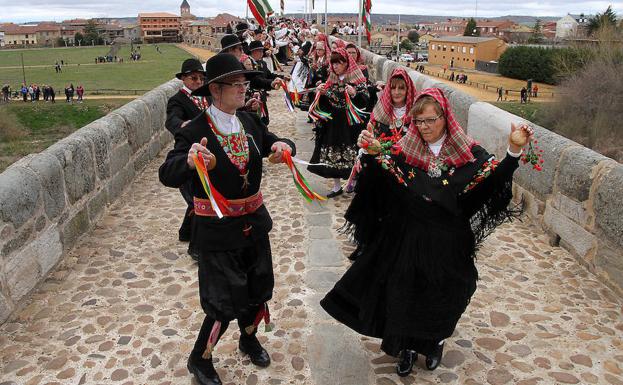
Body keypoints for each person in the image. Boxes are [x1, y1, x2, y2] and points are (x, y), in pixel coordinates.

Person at [321, 87, 534, 378]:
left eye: (430, 121)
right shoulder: (404, 150)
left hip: (449, 239)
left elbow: (489, 184)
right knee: (404, 290)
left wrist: (513, 152)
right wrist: (369, 153)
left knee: (446, 292)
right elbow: (384, 180)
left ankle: (434, 342)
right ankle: (407, 346)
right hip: (409, 236)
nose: (425, 128)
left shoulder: (470, 155)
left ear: (445, 117)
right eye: (419, 122)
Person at [159, 53, 296, 385]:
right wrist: (190, 161)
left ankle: (248, 338)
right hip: (217, 231)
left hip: (254, 224)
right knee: (224, 298)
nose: (243, 89)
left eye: (244, 83)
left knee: (258, 286)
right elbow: (168, 172)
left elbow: (273, 141)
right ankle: (200, 359)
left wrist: (282, 144)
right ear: (215, 89)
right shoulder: (195, 130)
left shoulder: (249, 122)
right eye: (236, 84)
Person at [346, 68, 416, 260]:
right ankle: (364, 242)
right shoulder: (381, 110)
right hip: (377, 167)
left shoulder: (415, 114)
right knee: (370, 203)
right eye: (393, 88)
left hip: (401, 167)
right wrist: (366, 145)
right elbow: (371, 135)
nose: (397, 92)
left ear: (408, 90)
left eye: (401, 88)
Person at [307, 48, 369, 197]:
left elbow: (365, 100)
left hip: (351, 125)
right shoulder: (330, 80)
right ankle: (336, 186)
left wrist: (355, 94)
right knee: (333, 153)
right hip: (334, 124)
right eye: (333, 63)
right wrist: (320, 93)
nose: (335, 67)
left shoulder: (357, 79)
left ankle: (353, 182)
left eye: (338, 63)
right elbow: (327, 103)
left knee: (354, 153)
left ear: (346, 63)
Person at [165, 58, 209, 254]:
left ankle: (185, 231)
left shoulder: (207, 97)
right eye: (194, 78)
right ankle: (196, 247)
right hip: (188, 150)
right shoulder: (177, 100)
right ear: (184, 79)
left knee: (199, 196)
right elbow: (172, 119)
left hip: (207, 150)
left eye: (201, 78)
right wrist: (183, 125)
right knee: (195, 198)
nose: (198, 82)